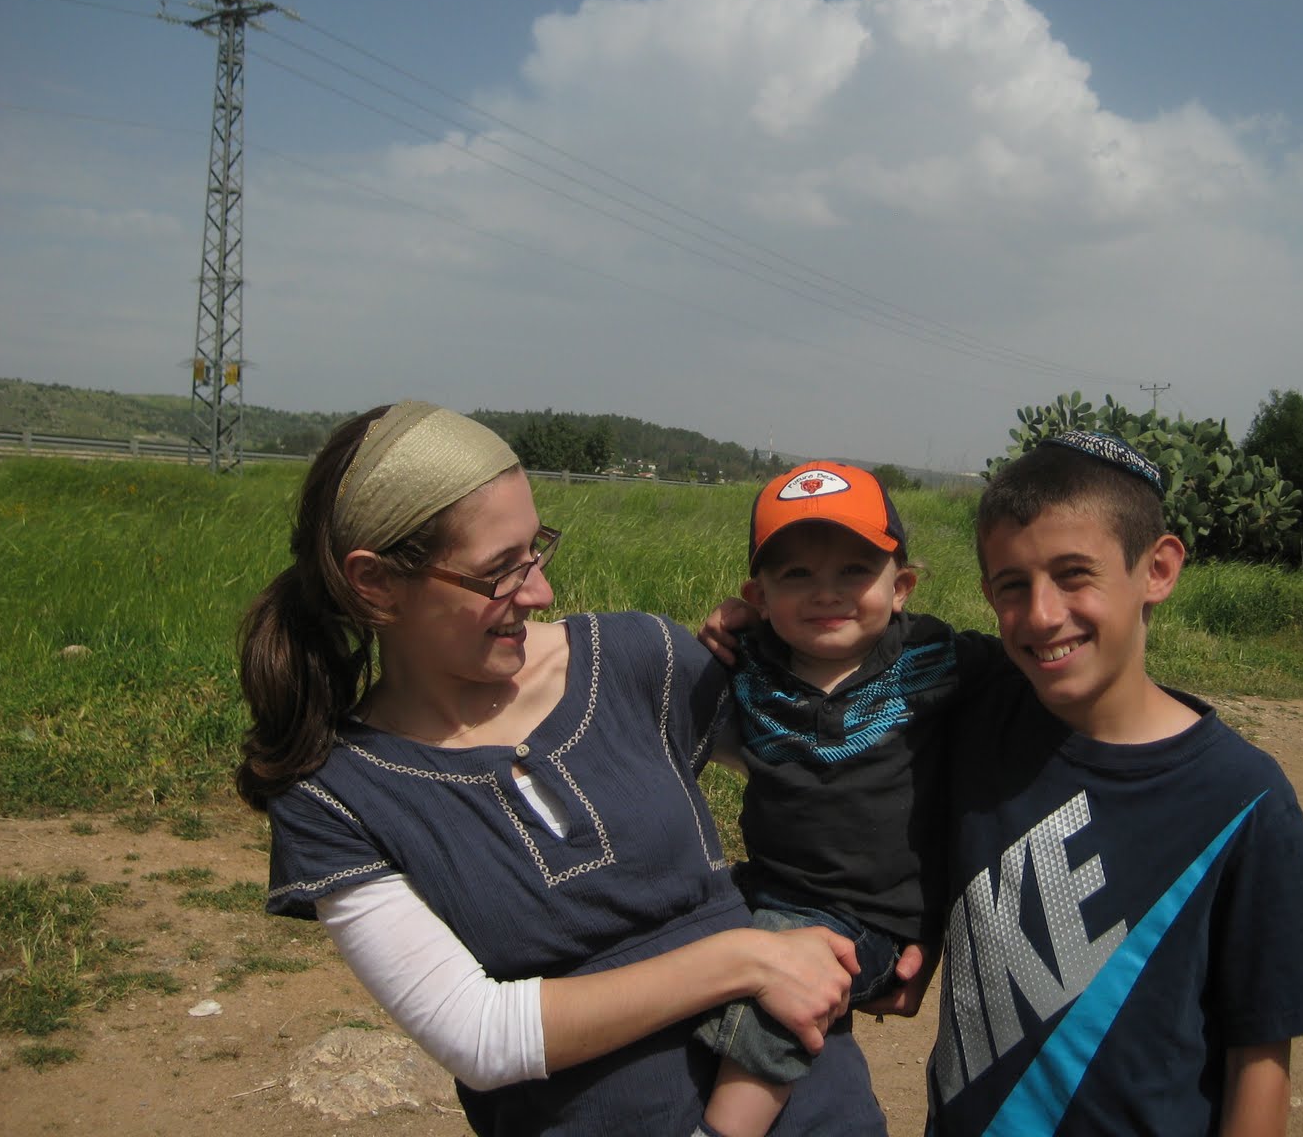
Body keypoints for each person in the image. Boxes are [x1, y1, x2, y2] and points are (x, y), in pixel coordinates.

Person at [235, 402, 886, 1136]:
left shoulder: (638, 659)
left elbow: (838, 776)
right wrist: (746, 960)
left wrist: (788, 650)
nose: (541, 591)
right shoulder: (336, 796)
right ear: (375, 582)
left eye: (535, 550)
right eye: (499, 571)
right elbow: (480, 1034)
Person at [925, 431, 1303, 1135]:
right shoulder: (971, 718)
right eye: (1013, 585)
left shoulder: (1241, 796)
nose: (1041, 614)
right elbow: (836, 657)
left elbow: (1259, 1056)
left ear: (1158, 569)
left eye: (1074, 574)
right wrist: (753, 635)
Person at [693, 462, 1004, 1137]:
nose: (826, 593)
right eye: (796, 574)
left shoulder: (936, 658)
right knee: (675, 938)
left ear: (902, 587)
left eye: (855, 570)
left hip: (869, 920)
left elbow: (1039, 676)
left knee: (774, 987)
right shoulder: (749, 661)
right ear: (759, 595)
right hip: (765, 886)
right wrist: (720, 627)